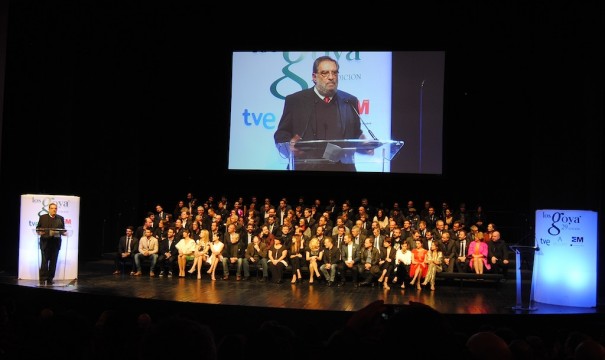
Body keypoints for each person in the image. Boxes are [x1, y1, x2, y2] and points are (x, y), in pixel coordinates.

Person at [273, 55, 373, 171]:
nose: (331, 77)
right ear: (314, 77)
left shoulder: (349, 101)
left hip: (342, 169)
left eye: (335, 73)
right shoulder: (296, 101)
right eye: (325, 73)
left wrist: (364, 145)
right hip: (306, 168)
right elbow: (281, 134)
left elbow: (355, 134)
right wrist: (289, 144)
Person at [36, 202, 66, 285]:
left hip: (55, 244)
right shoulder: (43, 217)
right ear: (49, 209)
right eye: (52, 208)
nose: (54, 210)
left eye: (55, 208)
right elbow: (38, 228)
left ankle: (50, 279)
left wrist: (64, 233)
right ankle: (42, 279)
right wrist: (39, 232)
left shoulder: (60, 218)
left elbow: (62, 229)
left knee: (53, 262)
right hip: (45, 243)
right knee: (44, 262)